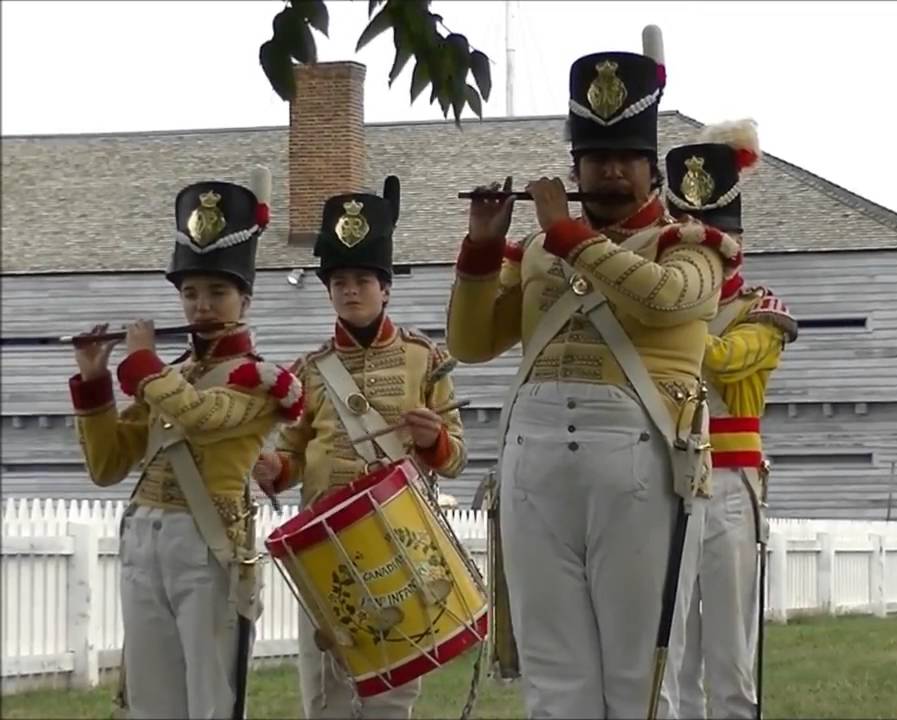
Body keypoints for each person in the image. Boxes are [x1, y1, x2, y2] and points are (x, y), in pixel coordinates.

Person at [447, 25, 740, 719]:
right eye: (596, 157)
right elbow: (470, 341)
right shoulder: (539, 249)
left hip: (638, 455)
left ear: (652, 167)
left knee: (641, 680)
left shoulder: (691, 245)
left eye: (626, 158)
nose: (610, 172)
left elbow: (667, 296)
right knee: (557, 682)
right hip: (535, 456)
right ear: (574, 166)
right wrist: (482, 252)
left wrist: (569, 236)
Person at [69, 168, 304, 718]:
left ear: (244, 300)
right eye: (191, 293)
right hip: (144, 539)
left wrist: (144, 363)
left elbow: (201, 416)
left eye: (218, 292)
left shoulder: (259, 379)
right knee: (151, 700)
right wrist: (95, 382)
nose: (202, 306)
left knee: (210, 698)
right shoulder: (169, 375)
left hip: (208, 543)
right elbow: (107, 465)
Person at [252, 177, 467, 720]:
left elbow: (458, 455)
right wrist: (274, 467)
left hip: (401, 539)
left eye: (363, 280)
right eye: (340, 281)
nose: (351, 290)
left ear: (386, 287)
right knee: (326, 693)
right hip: (325, 543)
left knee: (394, 692)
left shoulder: (425, 357)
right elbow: (294, 457)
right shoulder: (308, 370)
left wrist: (432, 439)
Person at [664, 120, 797, 720]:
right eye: (690, 239)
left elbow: (721, 361)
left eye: (716, 235)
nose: (705, 249)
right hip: (662, 478)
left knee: (728, 654)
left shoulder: (760, 311)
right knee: (667, 653)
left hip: (727, 482)